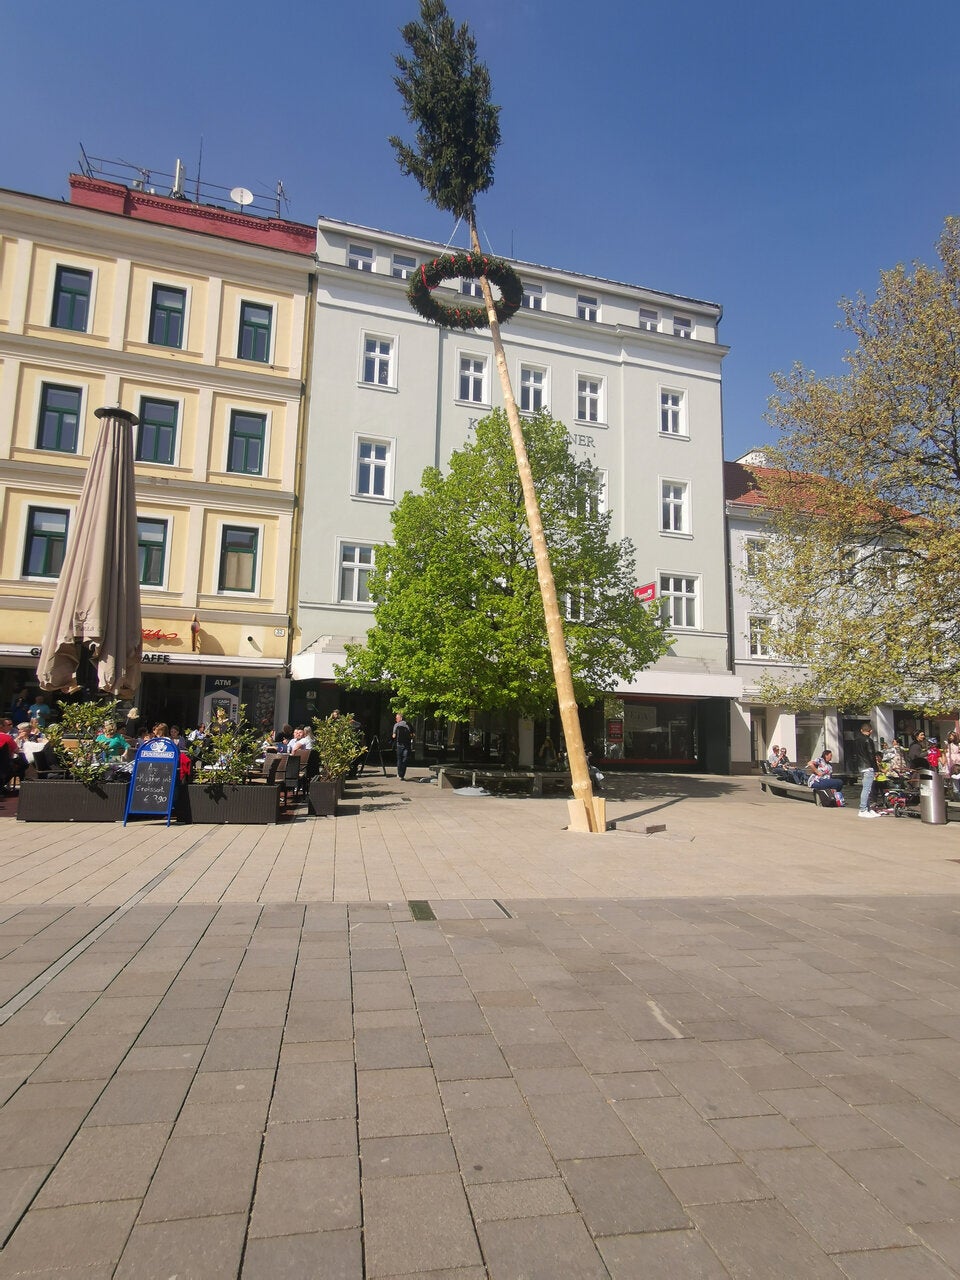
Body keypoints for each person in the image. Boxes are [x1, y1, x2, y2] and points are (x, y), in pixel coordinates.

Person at [852, 721, 880, 818]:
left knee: (866, 788)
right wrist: (876, 768)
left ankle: (867, 808)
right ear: (870, 731)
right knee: (867, 789)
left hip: (861, 766)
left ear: (861, 730)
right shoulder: (868, 740)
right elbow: (871, 755)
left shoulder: (856, 740)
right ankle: (863, 809)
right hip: (868, 766)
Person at [392, 712, 414, 780]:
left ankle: (399, 773)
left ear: (400, 718)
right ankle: (402, 775)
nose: (396, 719)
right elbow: (413, 735)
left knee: (399, 759)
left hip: (399, 744)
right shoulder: (409, 724)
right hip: (407, 744)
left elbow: (393, 736)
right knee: (405, 759)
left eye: (396, 718)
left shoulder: (396, 725)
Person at [941, 730, 960, 797]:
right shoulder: (947, 745)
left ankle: (956, 791)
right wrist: (944, 762)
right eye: (949, 736)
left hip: (957, 761)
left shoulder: (958, 744)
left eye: (952, 736)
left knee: (957, 776)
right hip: (950, 762)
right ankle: (955, 791)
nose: (950, 737)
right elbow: (944, 753)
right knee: (953, 776)